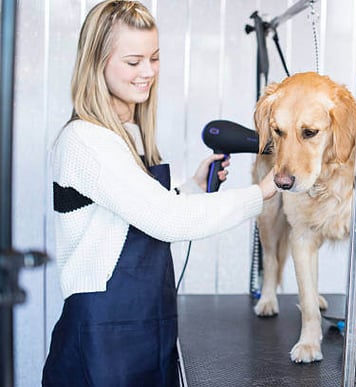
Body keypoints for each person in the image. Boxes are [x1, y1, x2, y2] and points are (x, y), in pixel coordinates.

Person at [41, 1, 276, 386]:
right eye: (133, 62)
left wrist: (192, 186)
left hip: (146, 328)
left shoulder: (127, 134)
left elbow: (127, 218)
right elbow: (166, 219)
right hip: (105, 339)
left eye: (154, 58)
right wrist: (261, 192)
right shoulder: (85, 140)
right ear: (96, 62)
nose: (147, 72)